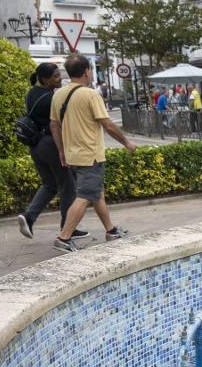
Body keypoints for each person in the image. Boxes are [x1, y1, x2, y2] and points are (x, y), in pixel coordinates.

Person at [50, 54, 137, 253]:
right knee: (85, 196)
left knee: (97, 193)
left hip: (72, 154)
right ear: (87, 71)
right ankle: (64, 237)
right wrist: (127, 142)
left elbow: (54, 125)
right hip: (90, 154)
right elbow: (107, 124)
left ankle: (111, 230)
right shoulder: (90, 95)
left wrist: (61, 150)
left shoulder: (58, 95)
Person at [15, 63, 85, 241]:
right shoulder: (50, 99)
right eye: (55, 76)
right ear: (45, 79)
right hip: (50, 144)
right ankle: (67, 228)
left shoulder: (32, 93)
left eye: (59, 74)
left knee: (50, 184)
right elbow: (58, 124)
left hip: (36, 146)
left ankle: (29, 216)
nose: (59, 78)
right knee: (68, 186)